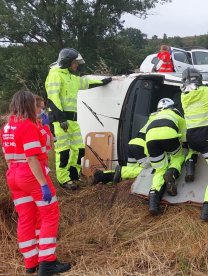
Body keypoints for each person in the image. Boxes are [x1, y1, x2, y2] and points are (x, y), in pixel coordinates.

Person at [1, 91, 71, 275]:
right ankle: (47, 262)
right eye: (35, 104)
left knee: (26, 218)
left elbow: (8, 157)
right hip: (30, 174)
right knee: (49, 215)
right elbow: (32, 158)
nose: (37, 108)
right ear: (27, 104)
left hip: (13, 175)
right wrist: (43, 184)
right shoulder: (28, 126)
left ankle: (31, 262)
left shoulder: (7, 127)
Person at [45, 48, 112, 190]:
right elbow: (52, 98)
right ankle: (63, 180)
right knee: (63, 151)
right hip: (59, 120)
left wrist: (105, 81)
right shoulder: (55, 74)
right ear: (67, 62)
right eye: (74, 63)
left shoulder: (72, 78)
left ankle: (73, 176)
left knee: (79, 149)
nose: (76, 65)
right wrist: (61, 118)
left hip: (73, 121)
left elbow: (87, 83)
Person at [181, 68, 208, 222]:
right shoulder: (207, 91)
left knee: (193, 150)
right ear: (198, 79)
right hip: (207, 138)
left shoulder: (183, 96)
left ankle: (190, 164)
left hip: (192, 138)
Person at [146, 98, 186, 215]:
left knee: (159, 170)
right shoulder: (176, 116)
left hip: (150, 139)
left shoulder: (153, 118)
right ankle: (172, 173)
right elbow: (184, 138)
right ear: (173, 107)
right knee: (177, 157)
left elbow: (146, 136)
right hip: (169, 135)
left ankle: (153, 202)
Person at [92, 115, 153, 185]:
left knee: (130, 175)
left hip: (133, 143)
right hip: (142, 146)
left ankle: (101, 176)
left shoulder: (156, 117)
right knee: (150, 171)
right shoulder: (166, 119)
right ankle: (121, 171)